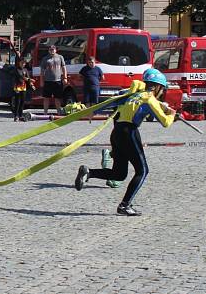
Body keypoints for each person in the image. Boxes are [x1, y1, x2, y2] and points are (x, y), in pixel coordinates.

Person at [73, 68, 176, 217]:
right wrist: (172, 115)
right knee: (143, 171)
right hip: (130, 133)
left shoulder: (133, 95)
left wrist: (93, 111)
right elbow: (165, 122)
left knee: (119, 174)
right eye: (162, 89)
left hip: (117, 132)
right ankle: (125, 205)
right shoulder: (149, 98)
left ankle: (89, 173)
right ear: (158, 87)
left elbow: (112, 102)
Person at [39, 45, 67, 115]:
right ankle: (45, 113)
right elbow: (42, 71)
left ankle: (59, 112)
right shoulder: (45, 58)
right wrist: (41, 81)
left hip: (58, 80)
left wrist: (65, 77)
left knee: (57, 98)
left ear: (55, 50)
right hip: (48, 81)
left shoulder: (60, 57)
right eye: (51, 49)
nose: (52, 51)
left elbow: (64, 68)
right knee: (46, 98)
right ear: (49, 50)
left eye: (53, 49)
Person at [12, 57, 34, 122]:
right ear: (19, 63)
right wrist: (29, 79)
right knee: (17, 102)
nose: (23, 64)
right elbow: (20, 76)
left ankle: (21, 115)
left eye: (24, 63)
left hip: (23, 87)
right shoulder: (16, 69)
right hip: (17, 87)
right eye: (22, 63)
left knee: (22, 102)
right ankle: (16, 116)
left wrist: (31, 85)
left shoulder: (25, 70)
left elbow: (28, 78)